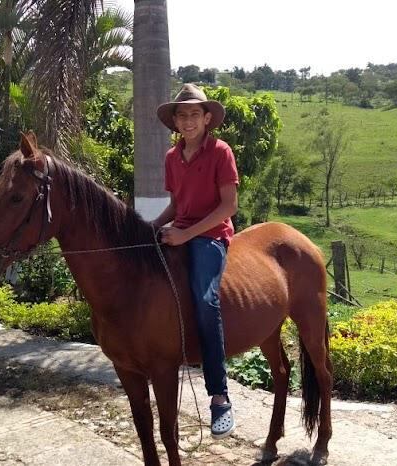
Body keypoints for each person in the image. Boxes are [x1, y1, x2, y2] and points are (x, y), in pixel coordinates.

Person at [152, 83, 239, 439]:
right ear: (175, 122)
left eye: (194, 114)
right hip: (180, 229)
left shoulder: (221, 152)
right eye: (181, 115)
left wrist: (186, 235)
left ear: (207, 119)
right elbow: (176, 206)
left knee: (205, 299)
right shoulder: (172, 158)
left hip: (211, 235)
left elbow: (228, 206)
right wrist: (150, 227)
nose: (187, 121)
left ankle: (219, 395)